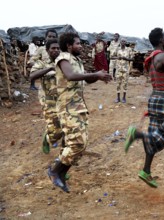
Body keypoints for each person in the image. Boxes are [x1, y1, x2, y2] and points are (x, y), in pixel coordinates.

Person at [124, 28, 164, 188]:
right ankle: (137, 133)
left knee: (154, 134)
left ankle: (146, 170)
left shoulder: (152, 58)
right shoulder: (163, 56)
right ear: (161, 40)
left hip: (154, 98)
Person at [47, 32, 111, 193]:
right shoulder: (63, 58)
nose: (80, 46)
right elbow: (71, 76)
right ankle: (54, 170)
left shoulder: (77, 60)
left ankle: (60, 174)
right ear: (69, 45)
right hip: (68, 108)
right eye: (77, 43)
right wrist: (95, 74)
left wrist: (98, 76)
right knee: (77, 144)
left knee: (80, 145)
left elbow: (85, 78)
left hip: (78, 107)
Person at [30, 38, 62, 154]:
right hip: (48, 99)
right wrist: (49, 68)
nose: (56, 50)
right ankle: (47, 139)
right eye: (53, 48)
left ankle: (63, 156)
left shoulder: (63, 62)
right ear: (47, 50)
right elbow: (32, 76)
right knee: (55, 131)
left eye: (58, 48)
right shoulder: (42, 63)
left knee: (64, 126)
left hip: (62, 99)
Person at [112, 38, 134, 103]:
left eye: (124, 41)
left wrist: (126, 58)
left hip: (126, 69)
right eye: (122, 41)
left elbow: (132, 59)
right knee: (118, 84)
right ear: (120, 42)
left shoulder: (129, 49)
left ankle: (124, 98)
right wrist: (117, 57)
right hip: (118, 69)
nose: (123, 42)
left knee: (125, 84)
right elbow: (111, 57)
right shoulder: (117, 49)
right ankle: (118, 98)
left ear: (126, 42)